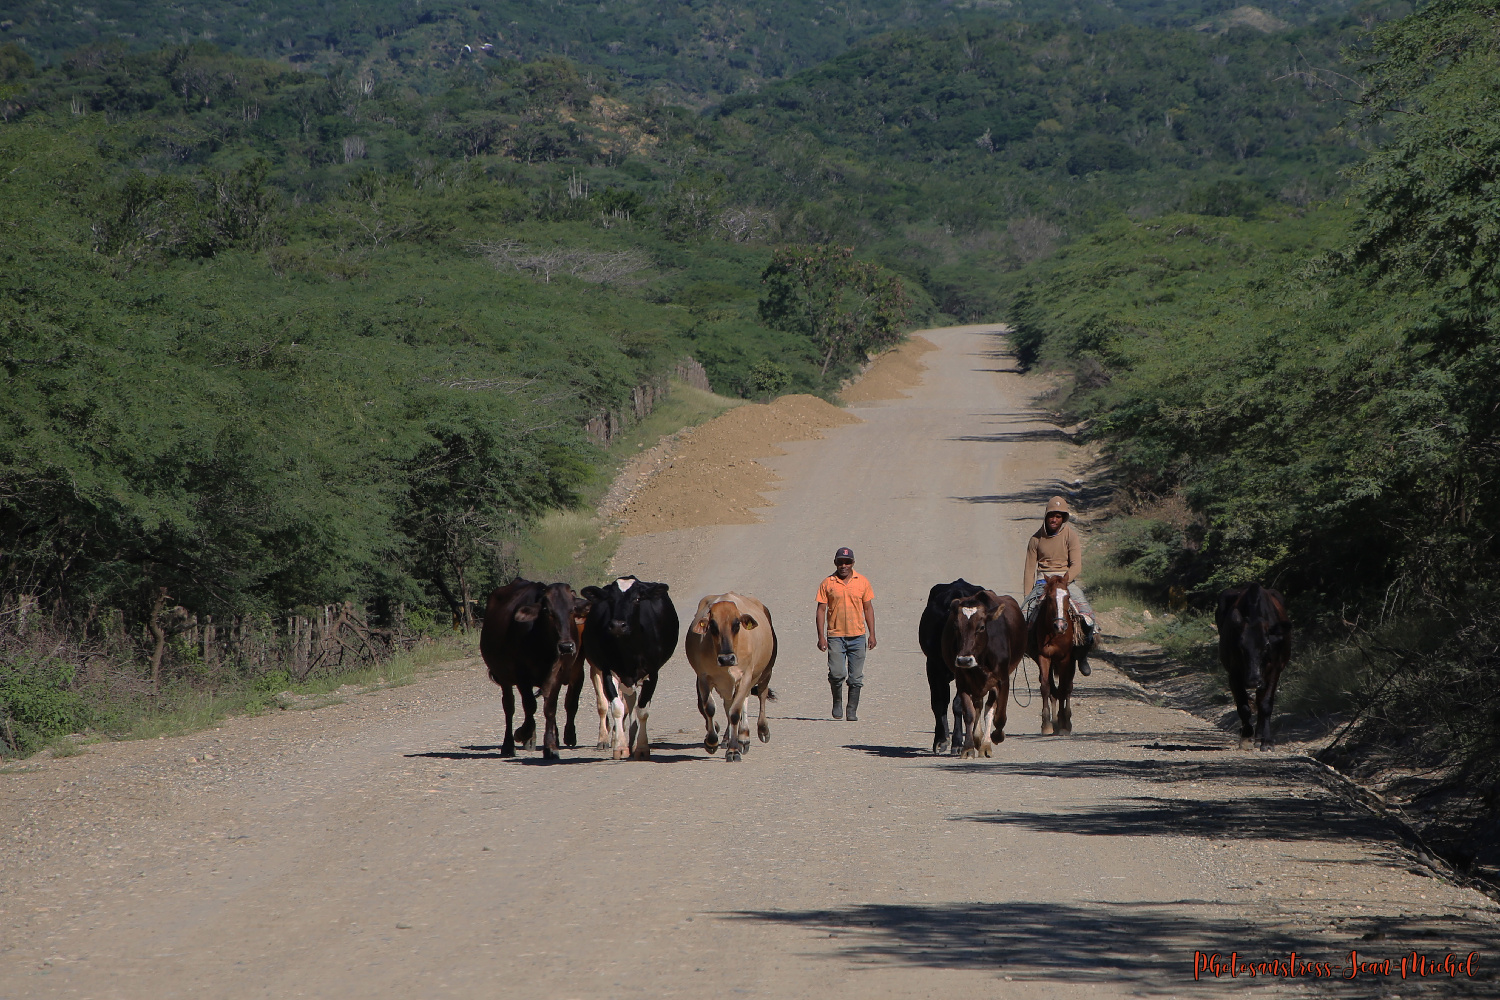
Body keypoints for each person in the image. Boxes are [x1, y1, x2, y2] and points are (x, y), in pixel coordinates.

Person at [1021, 496, 1097, 675]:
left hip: (1066, 581)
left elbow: (1076, 565)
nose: (1054, 519)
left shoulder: (1070, 535)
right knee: (1022, 619)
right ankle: (1029, 650)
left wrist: (1064, 581)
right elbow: (1029, 570)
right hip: (1043, 581)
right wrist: (1027, 597)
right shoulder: (1036, 539)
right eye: (1051, 515)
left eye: (1058, 516)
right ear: (1046, 516)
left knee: (1088, 617)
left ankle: (1082, 654)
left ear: (1063, 518)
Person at [815, 547, 877, 721]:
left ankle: (851, 709)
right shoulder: (827, 583)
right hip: (836, 636)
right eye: (840, 562)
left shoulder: (862, 582)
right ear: (835, 563)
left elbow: (868, 609)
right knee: (836, 673)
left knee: (856, 677)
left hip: (858, 636)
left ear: (853, 563)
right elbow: (821, 610)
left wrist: (872, 634)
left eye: (847, 562)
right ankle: (837, 702)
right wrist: (821, 636)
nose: (844, 566)